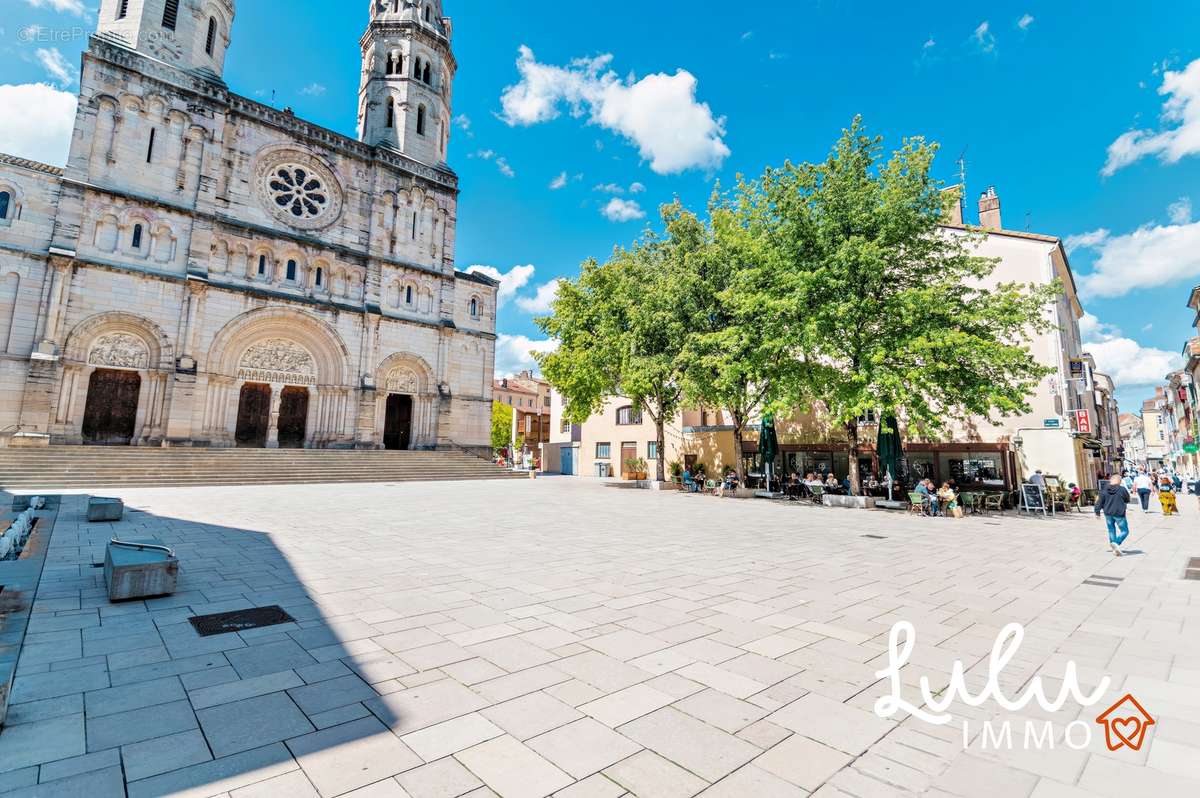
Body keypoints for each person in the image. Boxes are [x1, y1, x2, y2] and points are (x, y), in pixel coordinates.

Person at [1095, 474, 1131, 556]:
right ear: (1119, 481)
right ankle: (1116, 543)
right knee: (1125, 531)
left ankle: (1114, 547)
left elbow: (1099, 502)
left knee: (1111, 530)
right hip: (1119, 513)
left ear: (1111, 480)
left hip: (1108, 513)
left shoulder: (1103, 490)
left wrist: (1097, 512)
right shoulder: (1122, 489)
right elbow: (1127, 499)